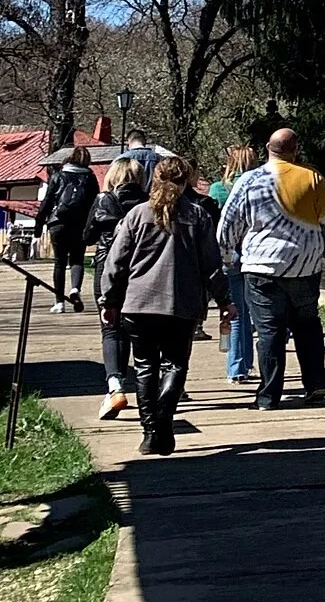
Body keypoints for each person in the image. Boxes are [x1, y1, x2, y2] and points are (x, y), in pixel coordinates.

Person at [99, 155, 233, 456]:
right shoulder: (198, 217)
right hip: (181, 305)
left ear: (153, 179)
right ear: (186, 181)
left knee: (145, 368)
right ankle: (164, 421)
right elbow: (212, 265)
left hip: (138, 304)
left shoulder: (137, 215)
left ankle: (150, 431)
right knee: (176, 364)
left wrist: (109, 299)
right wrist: (225, 299)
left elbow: (116, 262)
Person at [216, 127, 325, 410]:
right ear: (296, 150)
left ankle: (268, 395)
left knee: (269, 332)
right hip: (305, 267)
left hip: (262, 267)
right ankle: (315, 383)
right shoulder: (313, 178)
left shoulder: (250, 181)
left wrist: (228, 254)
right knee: (308, 326)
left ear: (268, 147)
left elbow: (228, 224)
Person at [86, 155, 146, 419]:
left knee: (111, 330)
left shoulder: (104, 200)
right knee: (137, 330)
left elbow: (87, 234)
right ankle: (148, 391)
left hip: (106, 269)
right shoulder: (148, 202)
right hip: (140, 272)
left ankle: (115, 386)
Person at [212, 145, 260, 384]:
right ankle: (247, 362)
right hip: (254, 254)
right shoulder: (259, 186)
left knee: (235, 312)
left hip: (229, 255)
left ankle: (236, 367)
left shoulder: (219, 189)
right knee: (251, 311)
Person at [37, 147, 98, 310]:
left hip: (58, 223)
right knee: (77, 259)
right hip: (80, 224)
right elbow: (95, 205)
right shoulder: (90, 178)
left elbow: (47, 202)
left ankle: (59, 302)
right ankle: (75, 289)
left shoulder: (58, 176)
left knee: (59, 263)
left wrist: (38, 225)